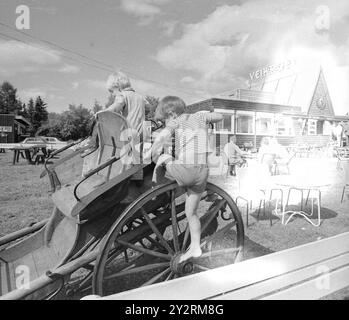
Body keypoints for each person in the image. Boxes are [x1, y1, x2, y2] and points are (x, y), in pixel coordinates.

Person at [149, 96, 223, 263]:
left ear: (172, 114)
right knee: (192, 213)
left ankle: (156, 185)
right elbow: (220, 116)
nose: (166, 121)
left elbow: (161, 137)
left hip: (187, 170)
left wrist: (151, 152)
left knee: (163, 157)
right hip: (202, 173)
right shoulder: (199, 116)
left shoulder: (175, 122)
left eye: (166, 118)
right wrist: (205, 114)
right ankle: (195, 247)